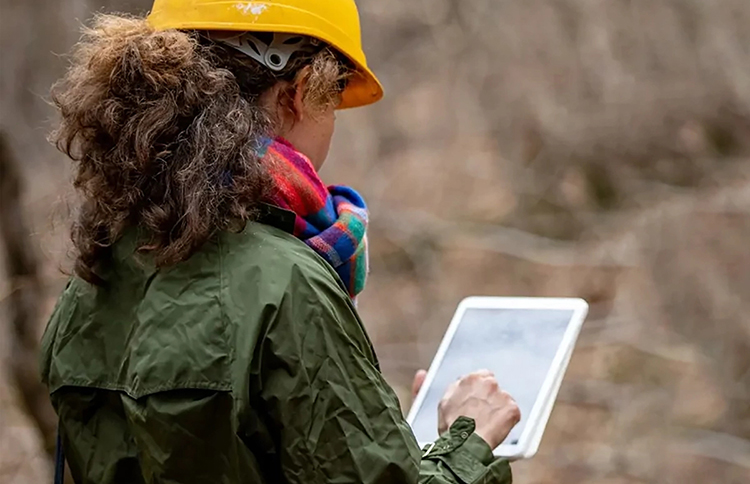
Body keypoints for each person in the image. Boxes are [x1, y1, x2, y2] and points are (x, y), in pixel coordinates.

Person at [40, 1, 521, 483]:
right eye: (333, 97)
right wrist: (469, 440)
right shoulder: (287, 284)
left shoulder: (93, 276)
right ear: (299, 91)